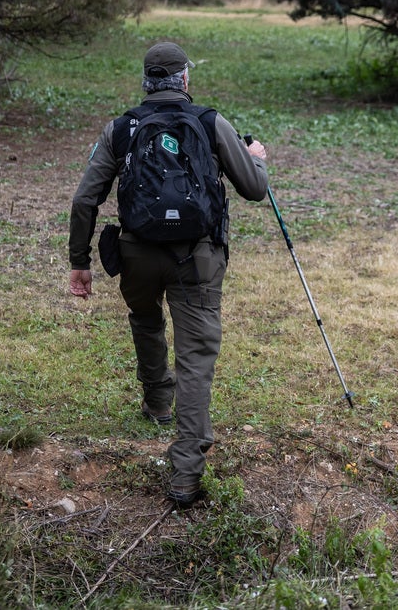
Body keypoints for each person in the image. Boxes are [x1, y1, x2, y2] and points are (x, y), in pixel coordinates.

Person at [67, 42, 269, 506]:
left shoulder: (120, 128)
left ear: (145, 82)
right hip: (196, 258)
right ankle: (184, 478)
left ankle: (157, 402)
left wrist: (80, 261)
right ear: (183, 81)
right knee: (195, 358)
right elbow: (255, 189)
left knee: (145, 318)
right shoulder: (210, 123)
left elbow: (84, 200)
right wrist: (254, 155)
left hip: (136, 255)